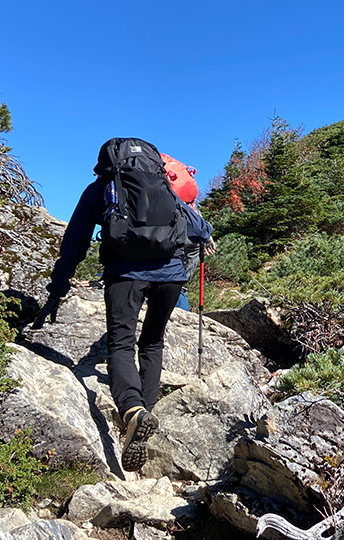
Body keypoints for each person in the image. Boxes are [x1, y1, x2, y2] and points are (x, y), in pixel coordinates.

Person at [34, 138, 213, 473]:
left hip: (125, 275)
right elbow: (200, 227)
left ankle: (132, 412)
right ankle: (146, 412)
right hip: (170, 277)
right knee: (153, 341)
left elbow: (74, 244)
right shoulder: (163, 187)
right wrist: (203, 237)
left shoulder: (100, 189)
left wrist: (57, 290)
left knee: (121, 344)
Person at [159, 153, 211, 312]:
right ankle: (178, 293)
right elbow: (195, 215)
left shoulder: (151, 179)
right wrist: (207, 236)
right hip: (189, 234)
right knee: (177, 282)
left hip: (162, 234)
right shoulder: (179, 178)